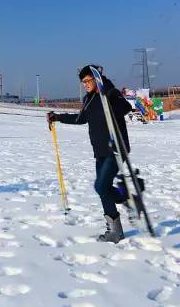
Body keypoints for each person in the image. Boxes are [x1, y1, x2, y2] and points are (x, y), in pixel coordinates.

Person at [47, 65, 133, 243]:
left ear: (96, 78)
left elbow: (126, 108)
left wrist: (109, 95)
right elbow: (81, 119)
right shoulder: (89, 99)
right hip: (100, 150)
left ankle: (119, 218)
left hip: (116, 148)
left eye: (87, 80)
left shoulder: (110, 92)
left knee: (102, 186)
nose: (85, 84)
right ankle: (122, 202)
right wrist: (57, 117)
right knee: (100, 188)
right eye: (82, 82)